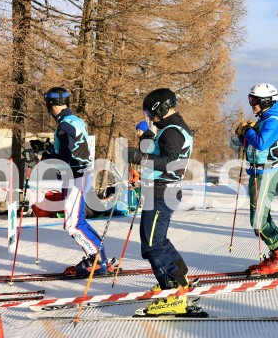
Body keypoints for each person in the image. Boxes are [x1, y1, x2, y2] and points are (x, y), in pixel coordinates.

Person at [125, 88, 195, 315]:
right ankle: (179, 280)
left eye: (150, 113)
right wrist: (147, 139)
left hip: (162, 193)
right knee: (158, 241)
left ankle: (174, 293)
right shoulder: (172, 128)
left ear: (161, 109)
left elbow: (168, 160)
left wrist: (142, 157)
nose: (150, 117)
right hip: (161, 191)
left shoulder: (172, 131)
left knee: (152, 245)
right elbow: (162, 152)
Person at [41, 88, 110, 277]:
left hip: (75, 177)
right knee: (77, 221)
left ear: (50, 105)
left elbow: (65, 156)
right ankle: (98, 255)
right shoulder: (75, 120)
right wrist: (50, 150)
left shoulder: (65, 126)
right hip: (79, 175)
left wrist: (47, 157)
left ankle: (97, 260)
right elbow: (73, 149)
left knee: (73, 224)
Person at [236, 83, 278, 275]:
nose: (251, 104)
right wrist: (241, 135)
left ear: (265, 102)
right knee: (261, 218)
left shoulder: (273, 122)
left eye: (254, 100)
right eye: (250, 99)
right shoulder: (264, 119)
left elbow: (261, 144)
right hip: (257, 173)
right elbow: (250, 144)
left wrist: (248, 131)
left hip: (266, 174)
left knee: (258, 221)